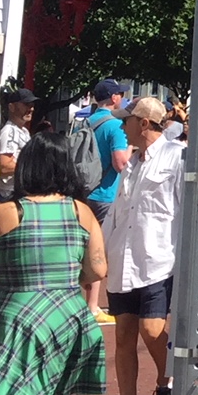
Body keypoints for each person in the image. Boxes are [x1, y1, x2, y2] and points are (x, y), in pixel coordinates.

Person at [0, 133, 109, 395]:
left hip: (17, 316)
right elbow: (98, 270)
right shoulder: (81, 211)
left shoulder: (4, 213)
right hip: (68, 315)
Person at [105, 96, 184, 395]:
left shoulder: (177, 157)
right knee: (123, 337)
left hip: (157, 261)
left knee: (151, 330)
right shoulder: (131, 164)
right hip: (122, 258)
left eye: (127, 120)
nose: (122, 126)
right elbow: (118, 209)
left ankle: (168, 384)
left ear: (144, 123)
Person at [82, 78, 132, 324]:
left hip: (84, 190)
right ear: (113, 98)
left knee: (84, 245)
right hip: (106, 193)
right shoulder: (115, 126)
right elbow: (120, 162)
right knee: (101, 249)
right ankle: (94, 306)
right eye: (119, 94)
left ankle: (84, 302)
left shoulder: (84, 122)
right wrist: (132, 150)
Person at [0, 88, 35, 205]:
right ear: (11, 107)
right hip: (10, 196)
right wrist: (33, 167)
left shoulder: (24, 132)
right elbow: (5, 166)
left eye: (32, 105)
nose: (31, 109)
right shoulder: (9, 131)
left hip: (20, 194)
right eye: (26, 104)